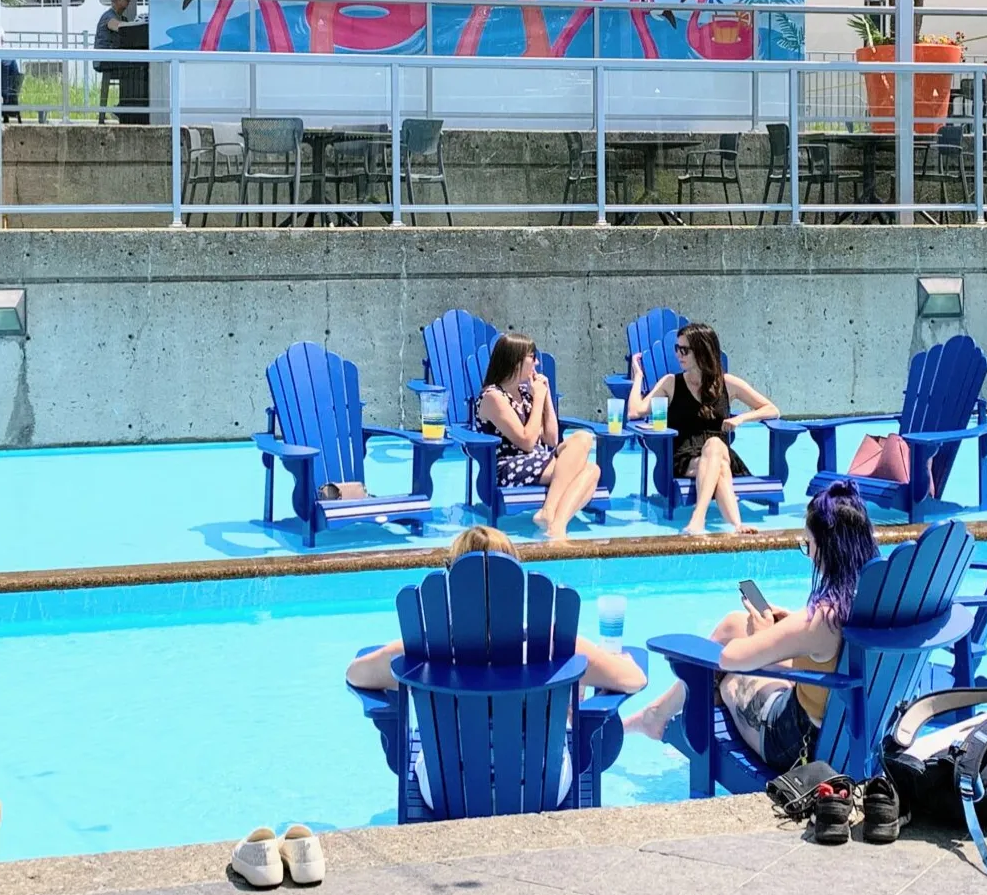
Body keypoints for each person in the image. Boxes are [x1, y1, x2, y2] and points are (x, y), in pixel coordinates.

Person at [346, 527, 647, 809]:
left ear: (452, 581)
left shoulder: (420, 648)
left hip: (447, 793)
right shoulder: (558, 644)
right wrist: (615, 666)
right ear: (517, 580)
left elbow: (355, 674)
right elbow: (634, 679)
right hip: (542, 789)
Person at [623, 481, 879, 771]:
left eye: (808, 544)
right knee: (734, 624)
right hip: (857, 731)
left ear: (826, 548)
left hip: (796, 742)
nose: (809, 554)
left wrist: (764, 634)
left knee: (725, 675)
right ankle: (657, 714)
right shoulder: (881, 598)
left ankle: (657, 717)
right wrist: (788, 625)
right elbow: (831, 653)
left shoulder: (822, 620)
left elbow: (731, 658)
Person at [626, 322, 779, 536]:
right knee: (720, 466)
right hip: (685, 458)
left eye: (684, 350)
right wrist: (638, 378)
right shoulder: (671, 383)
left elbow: (771, 409)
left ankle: (698, 520)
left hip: (719, 452)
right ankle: (737, 525)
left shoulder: (727, 383)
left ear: (701, 350)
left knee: (715, 447)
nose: (679, 355)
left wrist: (741, 418)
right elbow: (635, 411)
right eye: (677, 349)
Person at [476, 332, 599, 540]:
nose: (537, 362)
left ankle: (554, 520)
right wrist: (539, 398)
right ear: (515, 361)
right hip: (510, 466)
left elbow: (551, 440)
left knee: (583, 438)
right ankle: (554, 519)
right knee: (591, 470)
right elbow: (525, 442)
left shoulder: (525, 394)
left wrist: (546, 395)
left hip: (538, 459)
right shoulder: (493, 397)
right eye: (532, 357)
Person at [93, 0, 132, 124]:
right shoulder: (109, 16)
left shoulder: (122, 18)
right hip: (105, 59)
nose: (129, 1)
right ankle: (124, 107)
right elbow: (116, 26)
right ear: (116, 0)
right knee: (133, 68)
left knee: (134, 66)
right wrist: (133, 26)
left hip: (113, 58)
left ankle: (125, 107)